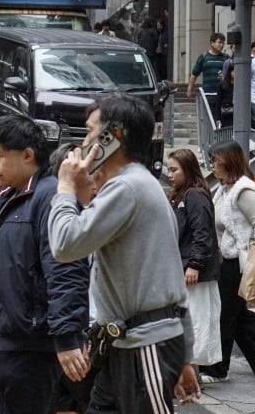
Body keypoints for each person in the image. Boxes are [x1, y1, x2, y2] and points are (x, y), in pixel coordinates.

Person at [48, 96, 198, 413]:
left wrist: (65, 188)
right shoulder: (138, 184)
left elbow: (64, 244)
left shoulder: (127, 187)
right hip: (128, 342)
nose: (84, 143)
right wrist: (185, 355)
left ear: (112, 136)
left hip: (145, 342)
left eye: (90, 131)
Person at [0, 114, 90, 414]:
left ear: (27, 155)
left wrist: (66, 338)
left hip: (31, 347)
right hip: (0, 342)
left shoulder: (49, 197)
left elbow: (66, 271)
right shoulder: (4, 201)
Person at [201, 140, 255, 383]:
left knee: (226, 315)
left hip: (239, 262)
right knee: (238, 316)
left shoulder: (244, 190)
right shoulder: (224, 189)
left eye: (215, 161)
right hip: (227, 260)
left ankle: (218, 369)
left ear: (229, 161)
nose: (212, 166)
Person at [165, 149, 222, 379]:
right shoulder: (179, 195)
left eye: (174, 170)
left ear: (187, 169)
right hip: (182, 266)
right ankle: (188, 373)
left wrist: (195, 264)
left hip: (194, 270)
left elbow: (202, 233)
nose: (170, 175)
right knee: (188, 321)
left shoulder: (195, 195)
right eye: (168, 170)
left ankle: (192, 374)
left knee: (195, 321)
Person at [186, 32, 230, 116]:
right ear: (212, 43)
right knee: (208, 118)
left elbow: (232, 74)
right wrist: (189, 89)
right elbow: (194, 74)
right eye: (219, 42)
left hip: (222, 94)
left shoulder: (226, 58)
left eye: (223, 43)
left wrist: (225, 76)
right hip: (207, 94)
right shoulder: (204, 57)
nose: (221, 45)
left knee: (220, 118)